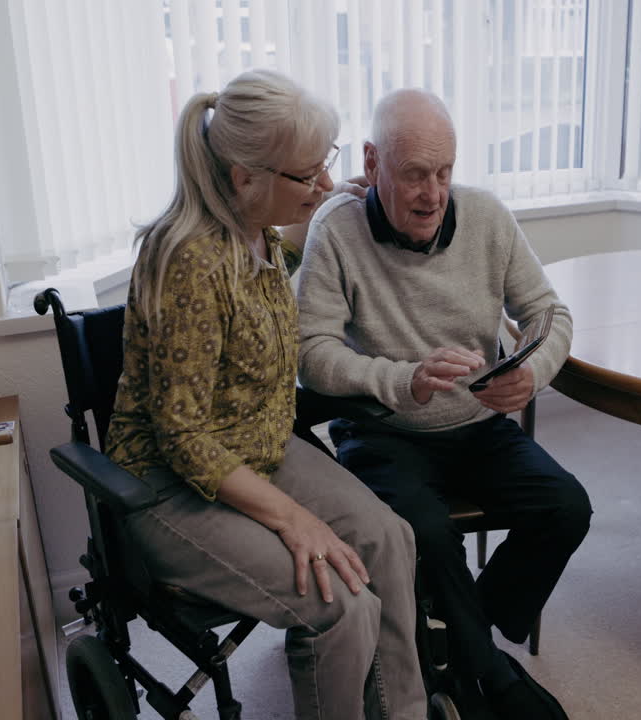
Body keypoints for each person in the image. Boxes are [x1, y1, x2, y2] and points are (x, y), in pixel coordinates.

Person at [103, 70, 425, 720]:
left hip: (259, 449)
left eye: (325, 166)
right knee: (341, 605)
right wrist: (290, 517)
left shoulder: (258, 236)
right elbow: (184, 440)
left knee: (391, 538)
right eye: (308, 176)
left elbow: (285, 261)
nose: (327, 184)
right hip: (169, 486)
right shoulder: (192, 264)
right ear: (245, 177)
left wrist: (335, 204)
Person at [295, 88, 591, 720]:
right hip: (383, 430)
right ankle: (489, 673)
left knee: (567, 508)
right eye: (414, 175)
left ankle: (462, 645)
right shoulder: (336, 230)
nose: (434, 194)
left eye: (444, 173)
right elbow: (310, 352)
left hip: (476, 426)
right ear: (372, 164)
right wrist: (403, 378)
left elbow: (548, 313)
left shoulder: (485, 217)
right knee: (427, 532)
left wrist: (533, 371)